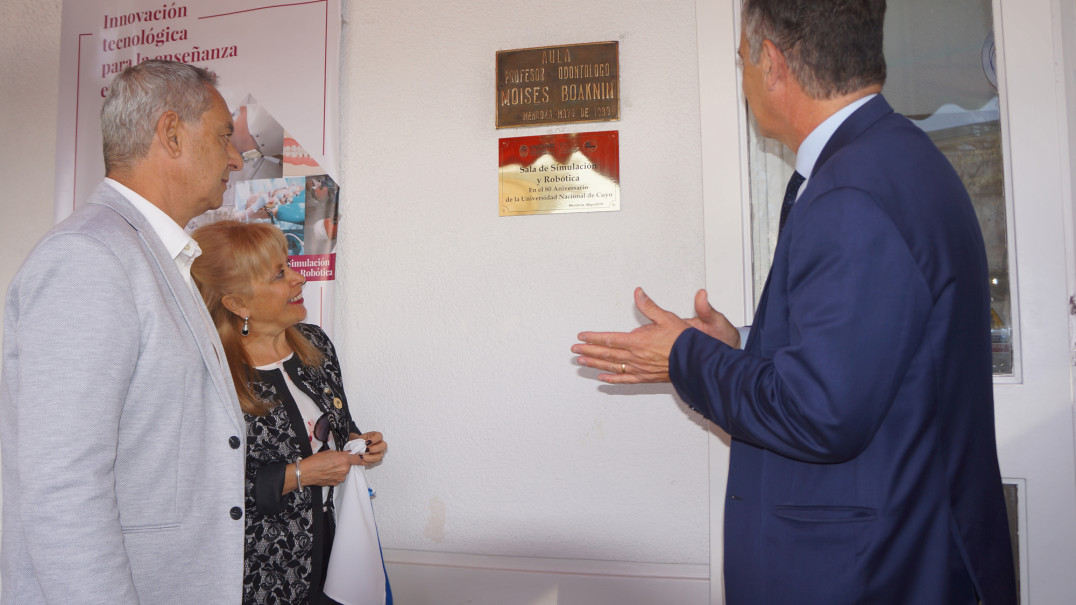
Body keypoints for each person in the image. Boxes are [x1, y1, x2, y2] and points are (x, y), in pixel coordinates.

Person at [571, 1, 1017, 603]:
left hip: (869, 572)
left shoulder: (852, 193)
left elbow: (820, 413)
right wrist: (740, 349)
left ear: (773, 63)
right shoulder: (897, 159)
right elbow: (875, 358)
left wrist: (684, 358)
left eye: (742, 62)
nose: (745, 80)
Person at [0, 60, 246, 603]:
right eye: (225, 136)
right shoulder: (90, 257)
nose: (236, 157)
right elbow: (64, 487)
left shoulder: (149, 253)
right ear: (171, 133)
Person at [190, 220, 389, 604]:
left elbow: (328, 425)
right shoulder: (207, 374)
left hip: (335, 558)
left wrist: (356, 442)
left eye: (289, 264)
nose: (299, 279)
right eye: (279, 274)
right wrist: (298, 475)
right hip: (261, 576)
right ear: (238, 303)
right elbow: (199, 491)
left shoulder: (314, 345)